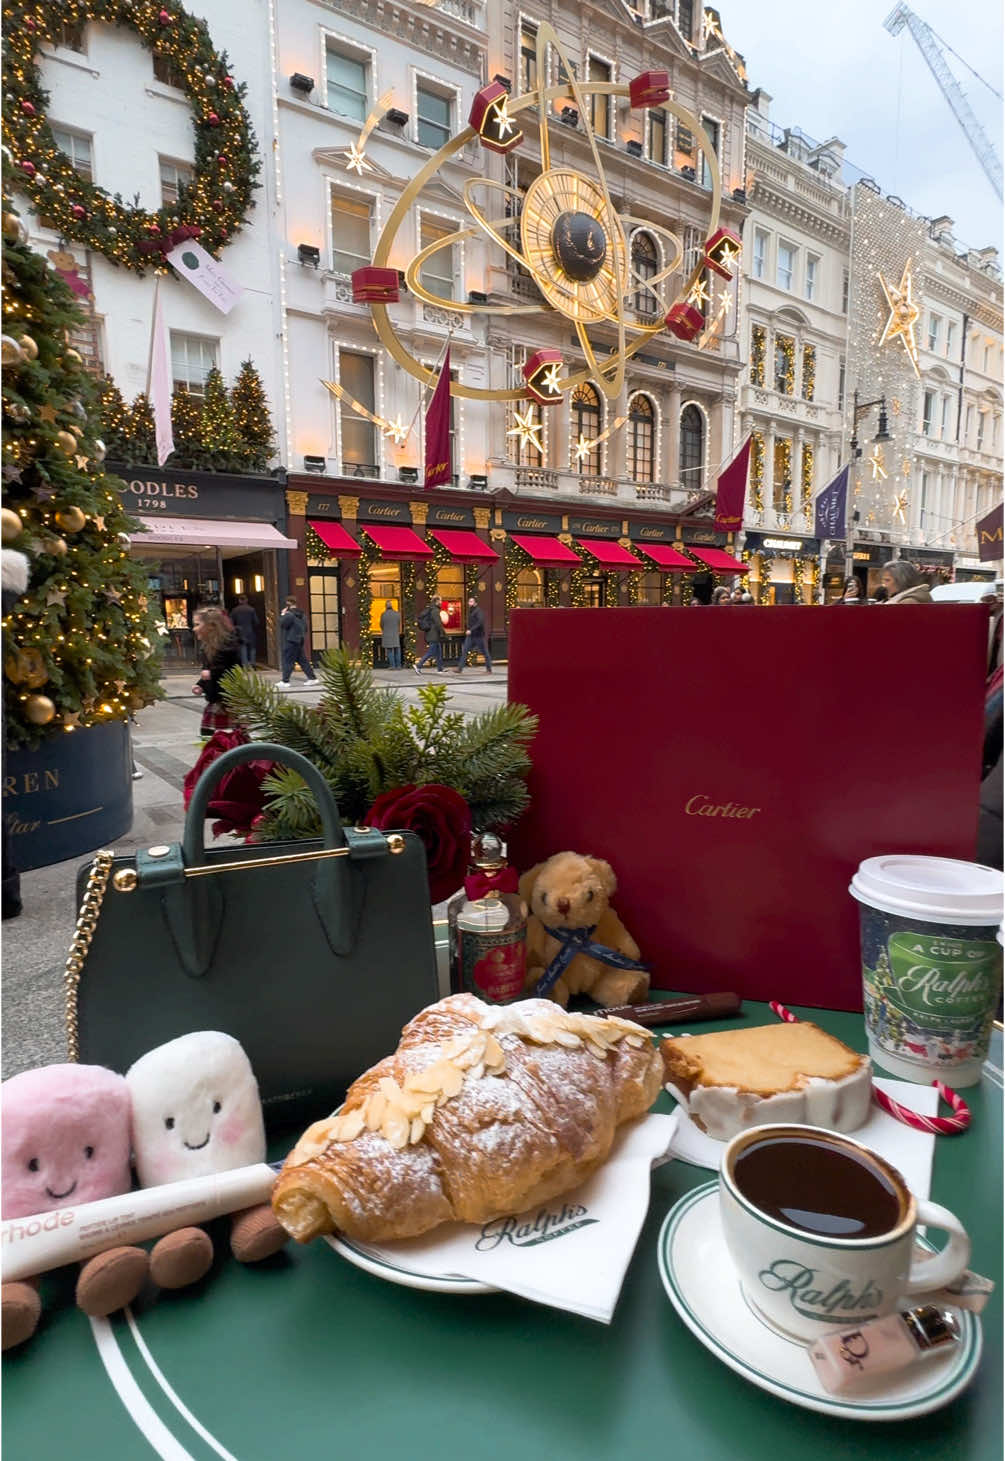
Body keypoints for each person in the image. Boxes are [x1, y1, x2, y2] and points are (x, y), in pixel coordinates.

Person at [192, 606, 241, 734]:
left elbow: (227, 670)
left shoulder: (227, 646)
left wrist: (210, 674)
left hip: (227, 701)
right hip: (217, 700)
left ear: (211, 626)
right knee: (209, 734)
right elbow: (210, 670)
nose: (194, 628)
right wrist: (201, 684)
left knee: (230, 737)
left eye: (197, 624)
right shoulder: (208, 647)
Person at [278, 597, 316, 689]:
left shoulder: (289, 614)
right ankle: (312, 678)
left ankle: (285, 681)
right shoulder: (302, 614)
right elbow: (306, 628)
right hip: (299, 639)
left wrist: (283, 614)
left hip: (290, 640)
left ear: (288, 604)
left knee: (288, 660)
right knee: (302, 660)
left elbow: (283, 624)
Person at [454, 597, 493, 675]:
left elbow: (480, 622)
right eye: (469, 601)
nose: (469, 603)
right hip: (471, 636)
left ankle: (489, 670)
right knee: (465, 650)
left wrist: (471, 630)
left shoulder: (478, 611)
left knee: (485, 652)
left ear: (475, 603)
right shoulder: (471, 611)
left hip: (478, 636)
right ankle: (460, 668)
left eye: (471, 601)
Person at [414, 594, 445, 673]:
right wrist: (443, 632)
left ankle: (440, 669)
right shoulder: (435, 610)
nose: (441, 602)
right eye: (440, 600)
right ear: (437, 601)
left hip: (432, 634)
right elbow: (438, 623)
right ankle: (418, 665)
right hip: (433, 634)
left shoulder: (431, 609)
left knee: (438, 652)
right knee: (431, 652)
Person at [230, 594, 259, 668]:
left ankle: (245, 664)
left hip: (240, 632)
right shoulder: (251, 609)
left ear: (239, 600)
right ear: (247, 600)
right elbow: (256, 622)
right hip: (250, 631)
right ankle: (252, 664)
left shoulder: (235, 610)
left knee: (243, 648)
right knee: (252, 648)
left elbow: (231, 622)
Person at [380, 599, 402, 669]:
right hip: (395, 634)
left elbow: (381, 624)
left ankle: (392, 666)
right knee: (397, 650)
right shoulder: (397, 614)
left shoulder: (383, 614)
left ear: (386, 606)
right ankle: (398, 665)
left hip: (387, 634)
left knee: (390, 650)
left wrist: (385, 630)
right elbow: (398, 623)